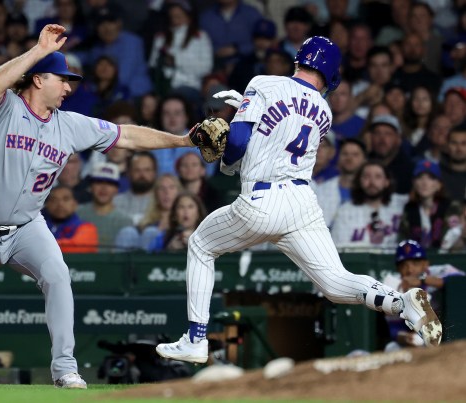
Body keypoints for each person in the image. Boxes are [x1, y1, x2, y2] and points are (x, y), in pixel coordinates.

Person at [0, 24, 196, 389]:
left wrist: (182, 140)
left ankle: (65, 368)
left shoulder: (70, 125)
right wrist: (36, 51)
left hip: (26, 228)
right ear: (37, 79)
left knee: (58, 275)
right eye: (62, 79)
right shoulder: (4, 108)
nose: (69, 87)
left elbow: (126, 134)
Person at [155, 37, 442, 366]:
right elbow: (279, 130)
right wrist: (247, 112)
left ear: (299, 60)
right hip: (301, 202)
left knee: (201, 244)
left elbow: (237, 143)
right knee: (335, 283)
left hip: (261, 200)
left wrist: (227, 159)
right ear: (332, 75)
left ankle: (195, 339)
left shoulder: (263, 82)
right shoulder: (325, 110)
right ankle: (400, 303)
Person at [383, 240, 464, 349]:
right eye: (404, 265)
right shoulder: (393, 287)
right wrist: (404, 337)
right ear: (398, 269)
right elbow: (395, 327)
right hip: (420, 338)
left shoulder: (440, 271)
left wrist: (423, 280)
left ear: (425, 264)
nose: (410, 270)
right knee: (391, 347)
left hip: (450, 334)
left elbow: (461, 281)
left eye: (415, 263)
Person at [76, 162, 133, 251]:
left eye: (110, 183)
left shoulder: (125, 220)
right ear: (91, 186)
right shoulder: (77, 214)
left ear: (116, 189)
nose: (104, 188)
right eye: (99, 182)